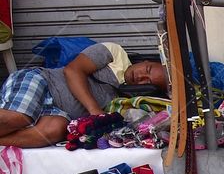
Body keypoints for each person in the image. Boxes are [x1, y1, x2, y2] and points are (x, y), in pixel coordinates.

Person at [0, 42, 167, 148]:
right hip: (43, 82)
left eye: (147, 82)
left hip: (57, 111)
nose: (140, 77)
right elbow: (72, 70)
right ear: (146, 61)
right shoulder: (116, 53)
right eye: (147, 70)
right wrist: (94, 109)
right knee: (20, 117)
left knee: (54, 131)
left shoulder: (128, 100)